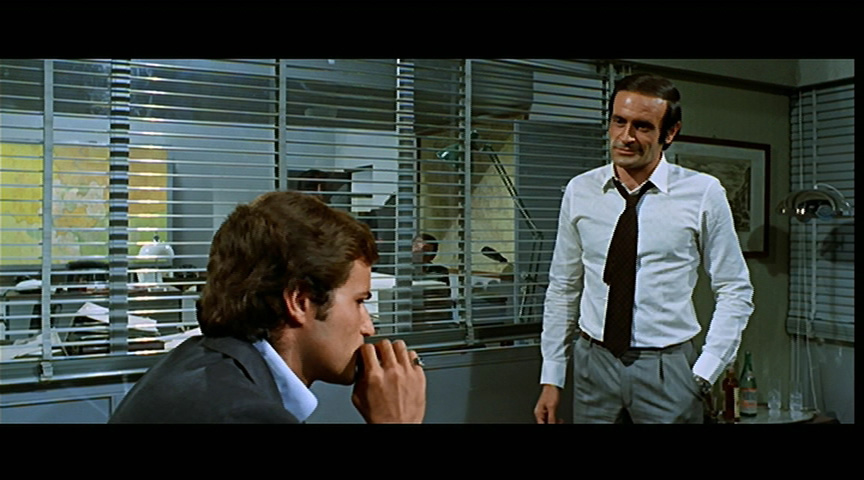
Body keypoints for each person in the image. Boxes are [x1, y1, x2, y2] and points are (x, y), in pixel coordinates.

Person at [534, 73, 754, 424]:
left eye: (642, 126)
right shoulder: (580, 190)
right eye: (619, 121)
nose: (626, 136)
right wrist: (552, 376)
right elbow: (563, 287)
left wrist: (705, 371)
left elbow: (734, 288)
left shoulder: (703, 193)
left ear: (670, 132)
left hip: (668, 369)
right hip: (593, 365)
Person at [110, 191, 426, 423]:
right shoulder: (242, 415)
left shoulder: (198, 362)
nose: (368, 327)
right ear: (299, 302)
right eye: (359, 302)